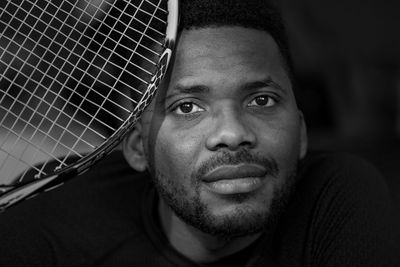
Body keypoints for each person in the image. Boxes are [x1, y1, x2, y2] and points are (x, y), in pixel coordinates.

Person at [0, 0, 399, 266]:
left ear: (302, 132)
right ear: (138, 147)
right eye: (187, 107)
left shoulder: (336, 196)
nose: (231, 133)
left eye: (261, 100)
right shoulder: (47, 224)